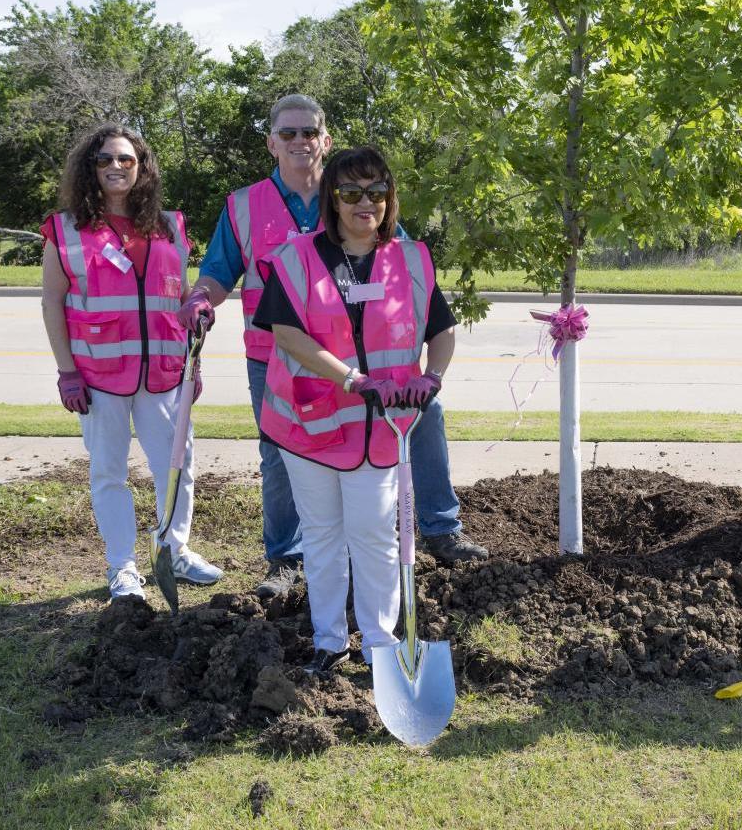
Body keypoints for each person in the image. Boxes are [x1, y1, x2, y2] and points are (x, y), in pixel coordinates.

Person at [178, 95, 484, 602]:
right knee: (281, 453)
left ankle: (438, 526)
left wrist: (428, 361)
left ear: (326, 139)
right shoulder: (244, 205)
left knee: (424, 423)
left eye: (309, 132)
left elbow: (400, 260)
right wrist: (198, 299)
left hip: (374, 354)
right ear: (272, 141)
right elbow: (218, 273)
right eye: (289, 133)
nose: (300, 141)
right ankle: (287, 557)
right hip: (278, 356)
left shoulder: (352, 190)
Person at [252, 146, 456, 672]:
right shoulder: (297, 258)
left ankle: (380, 645)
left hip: (385, 426)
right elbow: (286, 333)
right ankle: (328, 642)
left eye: (376, 192)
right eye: (350, 192)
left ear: (390, 199)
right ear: (333, 199)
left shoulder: (412, 259)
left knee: (373, 534)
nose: (365, 203)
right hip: (311, 424)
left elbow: (441, 328)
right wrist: (349, 377)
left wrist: (431, 377)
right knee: (321, 535)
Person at [40, 124, 223, 601]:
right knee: (109, 472)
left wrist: (194, 359)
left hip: (164, 375)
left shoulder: (168, 225)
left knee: (177, 464)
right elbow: (52, 304)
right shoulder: (65, 230)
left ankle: (173, 551)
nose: (115, 167)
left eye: (125, 159)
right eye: (104, 160)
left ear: (142, 166)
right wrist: (67, 371)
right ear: (90, 170)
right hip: (99, 378)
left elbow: (180, 296)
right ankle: (122, 567)